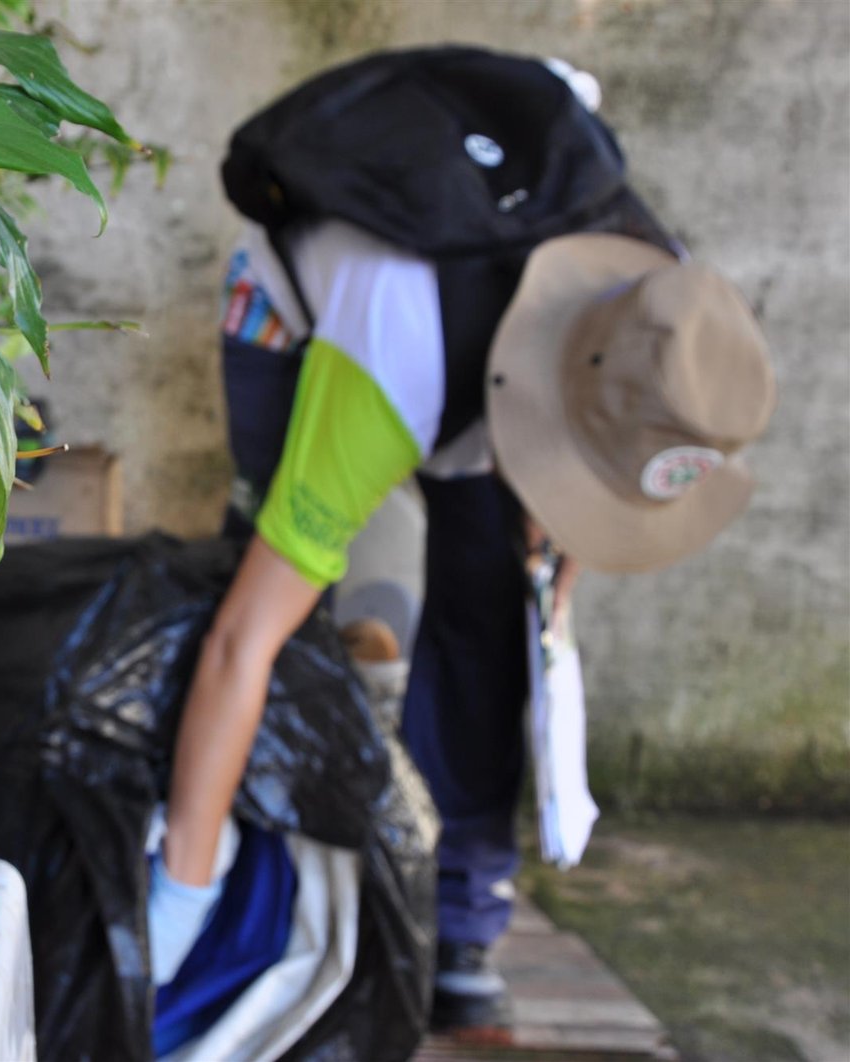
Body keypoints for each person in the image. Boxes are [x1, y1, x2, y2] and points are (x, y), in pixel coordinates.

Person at [148, 52, 777, 1032]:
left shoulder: (663, 311)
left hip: (507, 341)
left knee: (490, 617)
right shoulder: (387, 366)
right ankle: (223, 872)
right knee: (271, 608)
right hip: (303, 319)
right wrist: (171, 909)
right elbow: (243, 643)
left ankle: (461, 917)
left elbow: (581, 514)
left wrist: (553, 576)